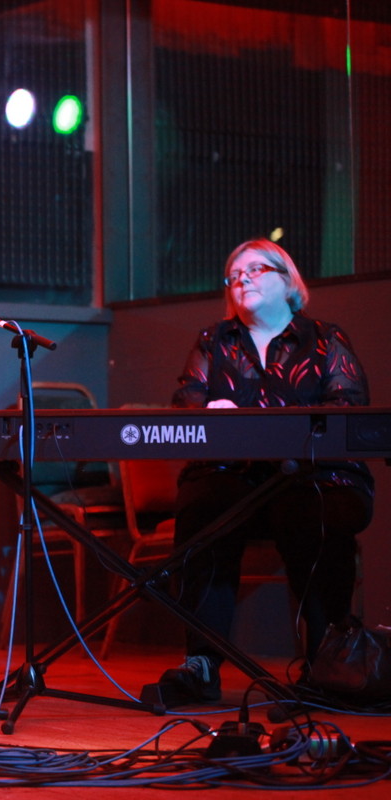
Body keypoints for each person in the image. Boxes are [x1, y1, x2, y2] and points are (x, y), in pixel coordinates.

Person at [155, 238, 374, 706]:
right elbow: (186, 401)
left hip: (313, 476)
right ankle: (201, 664)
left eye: (255, 269)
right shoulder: (214, 340)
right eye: (235, 276)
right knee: (204, 502)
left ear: (287, 280)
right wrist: (208, 409)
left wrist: (264, 421)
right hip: (235, 477)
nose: (243, 280)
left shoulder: (325, 338)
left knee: (312, 510)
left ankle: (326, 664)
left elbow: (348, 407)